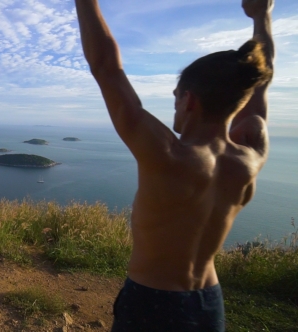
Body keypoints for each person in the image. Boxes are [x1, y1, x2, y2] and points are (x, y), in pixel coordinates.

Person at [74, 0, 274, 330]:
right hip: (208, 301)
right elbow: (261, 82)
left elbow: (106, 68)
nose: (175, 106)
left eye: (176, 97)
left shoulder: (166, 155)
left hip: (151, 300)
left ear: (189, 100)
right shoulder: (251, 157)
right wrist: (262, 18)